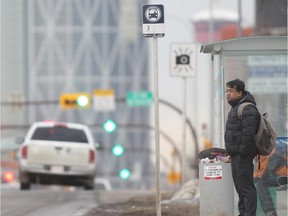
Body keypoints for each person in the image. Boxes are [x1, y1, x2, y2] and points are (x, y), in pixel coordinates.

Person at [225, 79, 260, 216]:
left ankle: (249, 214)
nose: (228, 94)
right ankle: (243, 213)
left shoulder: (247, 108)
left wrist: (242, 151)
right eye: (226, 90)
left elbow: (249, 133)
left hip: (242, 155)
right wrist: (232, 152)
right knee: (240, 188)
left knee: (246, 188)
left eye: (231, 91)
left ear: (240, 92)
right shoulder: (235, 108)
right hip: (236, 154)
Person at [254, 141, 288, 216]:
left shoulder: (264, 153)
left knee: (259, 182)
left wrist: (245, 180)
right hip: (284, 174)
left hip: (284, 175)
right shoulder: (275, 143)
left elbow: (259, 175)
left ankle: (270, 212)